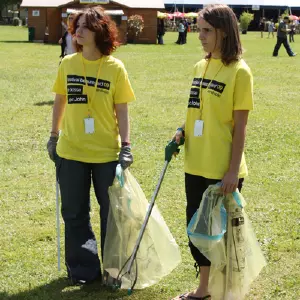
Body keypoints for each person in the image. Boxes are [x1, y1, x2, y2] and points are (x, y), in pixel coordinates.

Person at [47, 6, 136, 285]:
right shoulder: (68, 63)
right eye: (77, 26)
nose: (78, 31)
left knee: (111, 214)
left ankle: (112, 271)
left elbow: (122, 110)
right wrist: (53, 136)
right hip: (71, 152)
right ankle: (84, 271)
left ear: (99, 31)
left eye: (84, 26)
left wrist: (126, 145)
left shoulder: (115, 68)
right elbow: (60, 101)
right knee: (74, 214)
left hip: (106, 154)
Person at [170, 4, 253, 300]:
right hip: (195, 162)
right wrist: (181, 130)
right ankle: (204, 289)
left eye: (206, 31)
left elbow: (240, 127)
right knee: (197, 229)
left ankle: (226, 289)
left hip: (222, 168)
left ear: (224, 32)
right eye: (198, 29)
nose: (200, 36)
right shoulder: (199, 66)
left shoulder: (239, 72)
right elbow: (196, 111)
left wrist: (232, 171)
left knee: (222, 234)